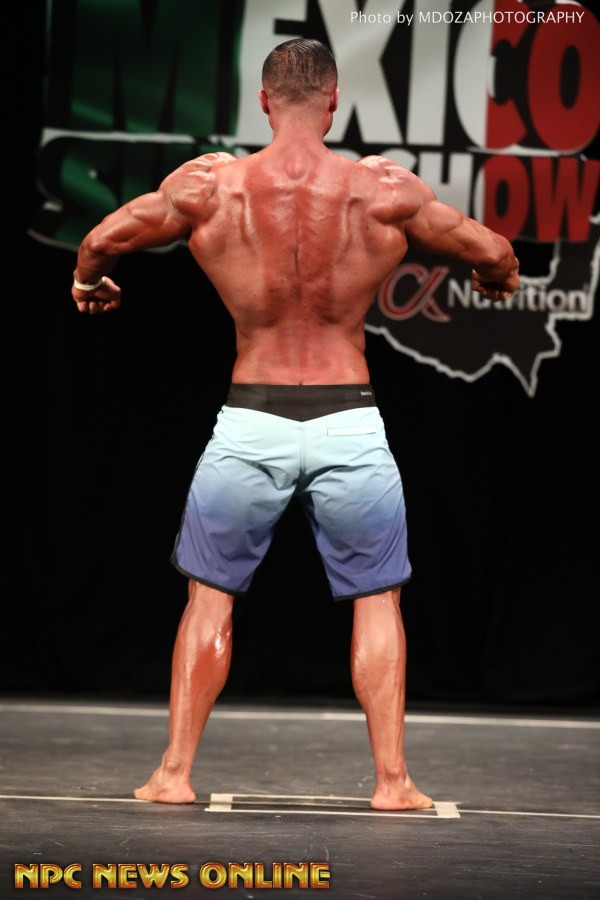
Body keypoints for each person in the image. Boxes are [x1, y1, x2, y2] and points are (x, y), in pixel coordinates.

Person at [71, 38, 519, 810]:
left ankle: (174, 774)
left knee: (210, 598)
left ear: (264, 101)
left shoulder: (213, 186)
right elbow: (495, 250)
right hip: (350, 422)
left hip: (251, 421)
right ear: (334, 102)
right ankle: (393, 783)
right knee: (378, 601)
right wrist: (494, 276)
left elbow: (100, 241)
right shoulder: (383, 189)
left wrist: (90, 283)